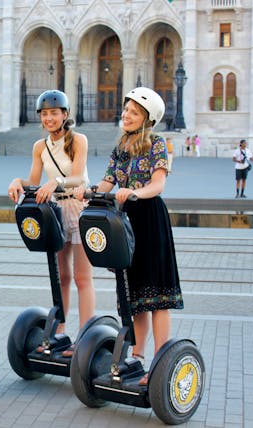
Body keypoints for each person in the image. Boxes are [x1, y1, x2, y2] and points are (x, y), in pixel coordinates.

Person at [75, 87, 182, 385]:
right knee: (134, 296)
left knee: (157, 295)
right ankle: (138, 356)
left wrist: (136, 192)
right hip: (125, 222)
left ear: (148, 118)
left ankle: (160, 362)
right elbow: (108, 181)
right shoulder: (121, 145)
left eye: (134, 112)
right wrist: (88, 192)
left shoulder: (157, 144)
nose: (127, 116)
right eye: (126, 111)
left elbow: (158, 184)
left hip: (149, 218)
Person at [8, 89, 93, 357]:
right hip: (55, 210)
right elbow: (34, 182)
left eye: (54, 113)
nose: (49, 118)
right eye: (44, 114)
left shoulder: (78, 140)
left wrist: (55, 181)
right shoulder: (39, 147)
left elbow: (78, 178)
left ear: (65, 114)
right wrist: (17, 182)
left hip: (79, 208)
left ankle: (85, 336)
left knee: (82, 277)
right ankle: (60, 332)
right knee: (61, 277)